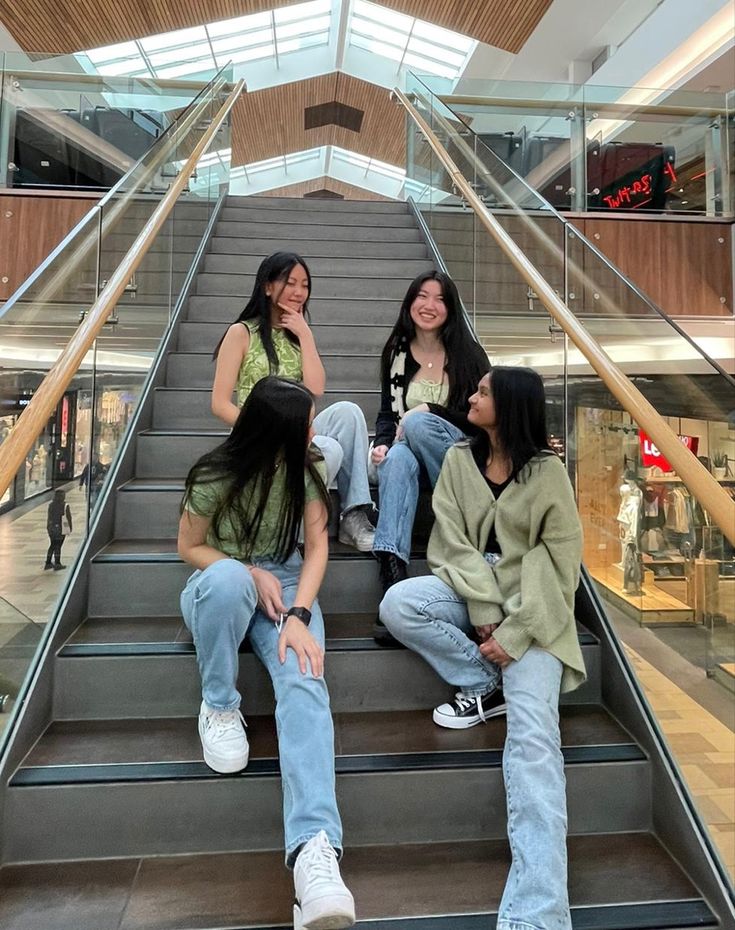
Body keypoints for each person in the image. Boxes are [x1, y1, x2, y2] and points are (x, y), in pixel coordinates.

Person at [380, 367, 585, 930]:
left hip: (538, 614)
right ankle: (484, 679)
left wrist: (515, 634)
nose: (471, 397)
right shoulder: (457, 461)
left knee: (535, 743)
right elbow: (449, 545)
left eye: (484, 392)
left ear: (511, 406)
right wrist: (487, 617)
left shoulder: (548, 473)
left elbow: (560, 562)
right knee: (399, 603)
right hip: (473, 595)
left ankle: (539, 914)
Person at [178, 376, 355, 930]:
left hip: (286, 587)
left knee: (304, 679)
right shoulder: (214, 473)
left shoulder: (308, 467)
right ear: (276, 430)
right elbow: (189, 547)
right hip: (223, 580)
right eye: (306, 421)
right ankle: (218, 703)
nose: (314, 429)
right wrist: (248, 571)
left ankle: (313, 854)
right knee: (231, 579)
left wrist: (301, 615)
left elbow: (319, 545)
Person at [211, 251, 374, 552]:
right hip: (255, 437)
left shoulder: (298, 335)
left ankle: (353, 514)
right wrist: (264, 429)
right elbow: (220, 403)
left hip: (296, 430)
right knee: (329, 449)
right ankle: (295, 532)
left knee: (349, 413)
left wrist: (306, 335)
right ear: (268, 286)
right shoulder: (241, 333)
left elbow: (317, 387)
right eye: (290, 283)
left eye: (305, 285)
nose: (299, 292)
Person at [371, 270, 488, 642]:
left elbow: (480, 420)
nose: (429, 305)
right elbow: (388, 412)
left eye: (439, 299)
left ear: (450, 308)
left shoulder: (468, 354)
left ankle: (460, 516)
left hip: (459, 455)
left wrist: (428, 410)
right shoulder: (396, 352)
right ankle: (392, 578)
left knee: (420, 427)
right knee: (397, 460)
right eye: (422, 296)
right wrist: (384, 442)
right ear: (410, 302)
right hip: (413, 456)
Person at [44, 489, 72, 571]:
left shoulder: (51, 505)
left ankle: (48, 563)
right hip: (60, 528)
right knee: (58, 546)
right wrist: (69, 528)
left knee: (52, 545)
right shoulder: (65, 505)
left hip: (51, 528)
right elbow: (68, 518)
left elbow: (50, 517)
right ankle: (57, 563)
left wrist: (49, 527)